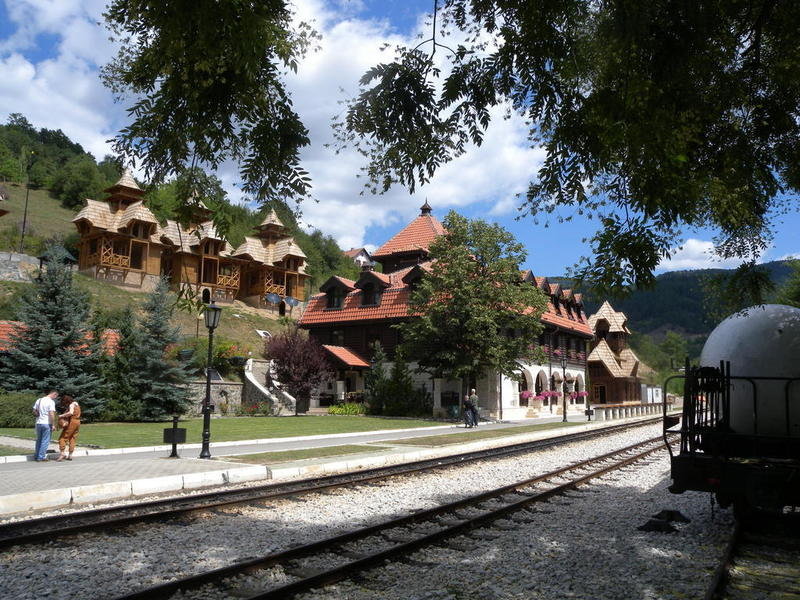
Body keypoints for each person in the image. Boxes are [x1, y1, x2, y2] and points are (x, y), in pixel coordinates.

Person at [32, 390, 57, 462]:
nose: (55, 398)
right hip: (46, 423)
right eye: (55, 396)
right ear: (54, 394)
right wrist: (53, 424)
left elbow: (34, 410)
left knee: (39, 440)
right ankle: (41, 457)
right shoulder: (51, 402)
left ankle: (37, 455)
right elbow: (51, 414)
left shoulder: (39, 400)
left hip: (38, 423)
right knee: (45, 441)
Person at [56, 395, 81, 461]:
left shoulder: (71, 405)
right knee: (72, 438)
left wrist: (61, 415)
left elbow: (70, 412)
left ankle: (62, 453)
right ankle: (70, 455)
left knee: (63, 438)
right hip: (78, 422)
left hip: (72, 422)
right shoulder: (76, 404)